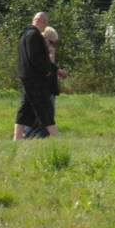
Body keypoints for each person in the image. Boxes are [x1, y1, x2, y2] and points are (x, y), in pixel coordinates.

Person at [12, 12, 68, 140]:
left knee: (25, 108)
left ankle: (17, 138)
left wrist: (55, 69)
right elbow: (36, 58)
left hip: (26, 76)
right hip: (35, 79)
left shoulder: (24, 34)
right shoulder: (34, 35)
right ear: (43, 22)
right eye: (46, 23)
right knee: (43, 107)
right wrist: (46, 71)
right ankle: (57, 139)